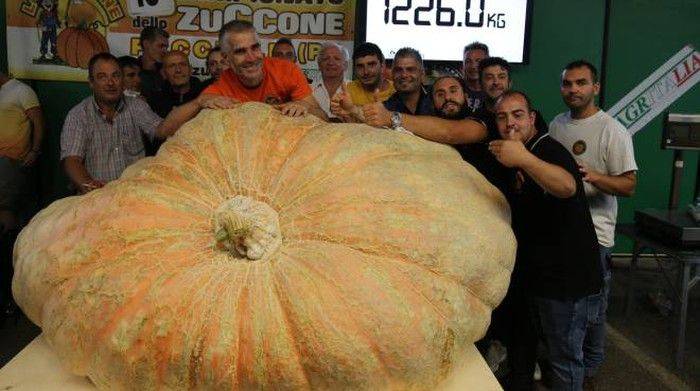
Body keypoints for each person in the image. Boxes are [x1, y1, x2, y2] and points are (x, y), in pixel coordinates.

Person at [488, 91, 603, 391]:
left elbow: (566, 186)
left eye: (517, 115)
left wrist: (524, 158)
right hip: (543, 277)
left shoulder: (547, 149)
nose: (509, 122)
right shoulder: (517, 153)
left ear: (532, 118)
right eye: (501, 117)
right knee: (551, 353)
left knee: (564, 359)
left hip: (567, 281)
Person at [549, 60, 638, 389]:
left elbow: (629, 185)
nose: (573, 89)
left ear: (595, 88)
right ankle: (579, 360)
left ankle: (591, 364)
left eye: (581, 83)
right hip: (564, 233)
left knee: (591, 307)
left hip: (596, 236)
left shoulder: (612, 130)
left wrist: (594, 176)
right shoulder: (557, 125)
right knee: (578, 305)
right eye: (568, 84)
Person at [158, 20, 327, 136]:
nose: (252, 57)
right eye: (240, 51)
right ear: (226, 59)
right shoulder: (222, 86)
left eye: (255, 48)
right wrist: (198, 102)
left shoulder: (287, 70)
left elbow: (323, 119)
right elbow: (162, 132)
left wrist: (304, 106)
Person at [60, 53, 175, 193]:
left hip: (134, 194)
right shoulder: (79, 115)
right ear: (91, 82)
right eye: (102, 77)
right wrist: (91, 189)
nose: (110, 82)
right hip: (96, 197)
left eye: (116, 76)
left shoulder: (137, 106)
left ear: (122, 80)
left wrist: (197, 103)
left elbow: (161, 130)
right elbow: (72, 160)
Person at [0, 70, 44, 315]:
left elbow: (39, 123)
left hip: (11, 164)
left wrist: (34, 151)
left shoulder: (21, 91)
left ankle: (12, 295)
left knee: (7, 221)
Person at [431, 75, 507, 192]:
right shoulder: (428, 128)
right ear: (433, 102)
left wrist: (395, 118)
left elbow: (450, 132)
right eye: (440, 94)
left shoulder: (484, 117)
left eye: (453, 91)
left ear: (466, 96)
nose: (447, 97)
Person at [331, 47, 433, 122]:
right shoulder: (390, 103)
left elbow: (447, 130)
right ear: (392, 74)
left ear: (422, 73)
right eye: (398, 70)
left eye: (410, 69)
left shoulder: (437, 95)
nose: (404, 75)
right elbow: (376, 119)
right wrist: (351, 109)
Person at [146, 50, 206, 119]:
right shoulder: (154, 100)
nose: (178, 70)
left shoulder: (205, 93)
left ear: (190, 69)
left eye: (182, 65)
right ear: (163, 73)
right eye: (172, 66)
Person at [311, 42, 349, 120]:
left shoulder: (354, 89)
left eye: (337, 59)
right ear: (319, 65)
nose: (331, 63)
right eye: (325, 59)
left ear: (345, 65)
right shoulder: (308, 91)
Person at [138, 26, 169, 99]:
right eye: (161, 46)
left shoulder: (167, 71)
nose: (165, 51)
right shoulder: (131, 70)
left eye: (166, 47)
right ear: (146, 44)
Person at [462, 41, 489, 111]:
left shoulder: (494, 92)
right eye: (468, 61)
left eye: (478, 61)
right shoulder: (455, 89)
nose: (473, 66)